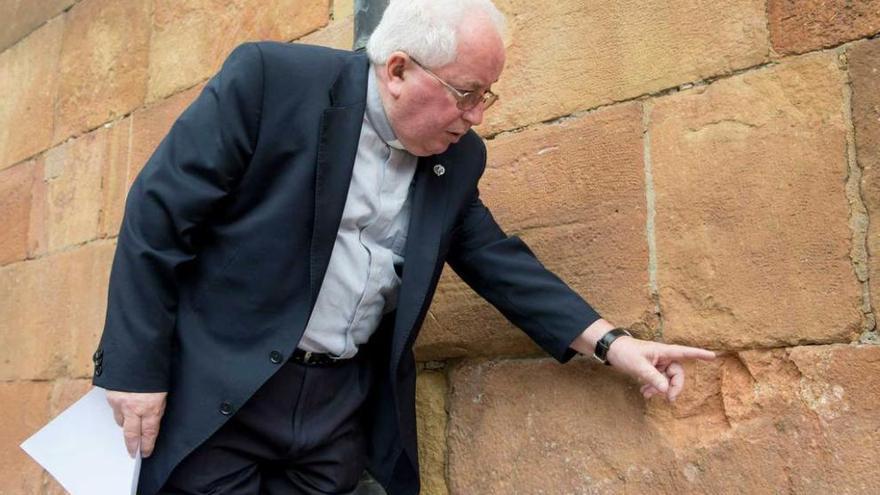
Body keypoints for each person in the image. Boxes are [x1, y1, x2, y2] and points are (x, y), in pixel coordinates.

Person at [92, 0, 716, 493]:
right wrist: (135, 372)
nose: (477, 117)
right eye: (468, 92)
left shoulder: (458, 159)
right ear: (397, 70)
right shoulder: (270, 81)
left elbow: (496, 260)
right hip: (226, 394)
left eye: (486, 97)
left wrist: (614, 344)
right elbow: (158, 216)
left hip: (335, 418)